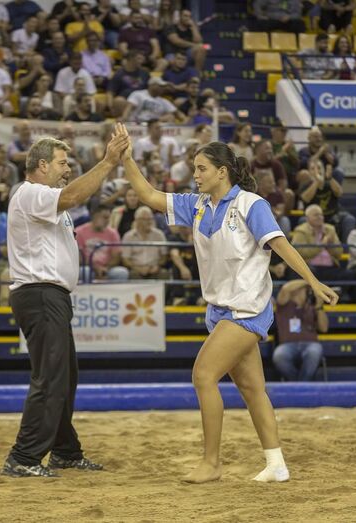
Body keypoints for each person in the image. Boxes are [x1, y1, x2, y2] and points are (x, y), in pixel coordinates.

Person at [119, 129, 339, 484]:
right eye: (195, 168)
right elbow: (147, 195)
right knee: (252, 390)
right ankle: (276, 464)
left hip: (247, 308)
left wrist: (313, 281)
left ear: (223, 171)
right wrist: (126, 158)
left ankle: (212, 463)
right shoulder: (197, 204)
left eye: (202, 168)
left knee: (203, 375)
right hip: (220, 310)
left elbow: (281, 245)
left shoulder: (251, 204)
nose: (196, 174)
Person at [1, 127, 129, 477]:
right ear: (41, 165)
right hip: (40, 293)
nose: (67, 168)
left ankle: (65, 452)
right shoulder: (30, 192)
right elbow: (73, 196)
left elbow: (71, 196)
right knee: (51, 378)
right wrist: (107, 162)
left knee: (64, 376)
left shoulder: (44, 196)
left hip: (50, 295)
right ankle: (23, 458)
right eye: (62, 162)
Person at [272, 279, 328, 381]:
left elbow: (324, 328)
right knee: (279, 355)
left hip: (310, 343)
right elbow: (285, 288)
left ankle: (300, 385)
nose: (298, 292)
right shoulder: (284, 305)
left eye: (302, 289)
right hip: (288, 344)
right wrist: (310, 281)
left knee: (315, 351)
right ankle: (300, 385)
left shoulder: (311, 307)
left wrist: (319, 307)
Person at [289, 204, 343, 282]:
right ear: (307, 218)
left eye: (321, 215)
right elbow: (300, 252)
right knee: (309, 273)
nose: (320, 217)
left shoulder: (330, 229)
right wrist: (321, 245)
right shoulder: (301, 231)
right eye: (316, 215)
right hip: (310, 267)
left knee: (349, 275)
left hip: (330, 267)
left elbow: (339, 253)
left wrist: (330, 245)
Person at [75, 204, 129, 282]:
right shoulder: (79, 232)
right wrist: (96, 268)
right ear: (94, 217)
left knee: (121, 272)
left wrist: (105, 269)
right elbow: (79, 257)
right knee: (85, 272)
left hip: (107, 268)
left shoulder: (113, 233)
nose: (107, 221)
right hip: (88, 266)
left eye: (108, 218)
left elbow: (116, 257)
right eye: (104, 217)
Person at [121, 206, 168, 279]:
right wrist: (137, 268)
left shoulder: (159, 235)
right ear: (137, 221)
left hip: (154, 268)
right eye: (145, 219)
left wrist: (157, 266)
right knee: (132, 275)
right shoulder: (128, 236)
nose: (149, 222)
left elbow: (164, 257)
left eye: (150, 219)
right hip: (136, 269)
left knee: (164, 273)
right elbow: (125, 259)